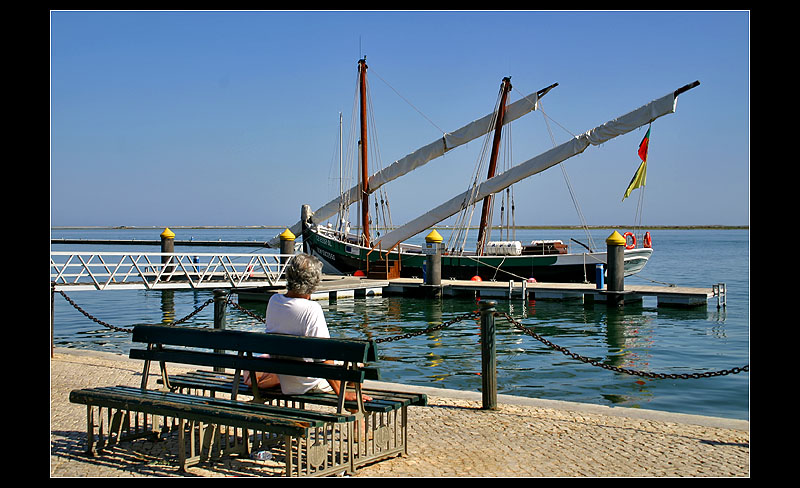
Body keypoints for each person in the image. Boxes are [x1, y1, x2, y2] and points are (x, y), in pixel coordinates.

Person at [244, 253, 370, 404]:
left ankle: (357, 420)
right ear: (314, 282)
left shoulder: (274, 301)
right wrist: (342, 395)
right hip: (308, 384)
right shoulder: (312, 309)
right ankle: (358, 421)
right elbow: (324, 358)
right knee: (356, 368)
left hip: (286, 381)